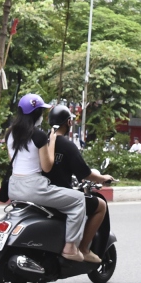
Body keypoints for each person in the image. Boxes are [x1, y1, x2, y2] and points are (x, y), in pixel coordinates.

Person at [4, 93, 90, 262]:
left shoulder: (10, 133)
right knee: (79, 199)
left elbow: (14, 162)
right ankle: (70, 247)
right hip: (33, 188)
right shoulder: (39, 136)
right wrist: (49, 143)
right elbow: (47, 166)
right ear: (36, 114)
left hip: (14, 188)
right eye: (41, 112)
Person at [45, 104, 113, 263]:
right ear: (68, 123)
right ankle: (83, 248)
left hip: (39, 191)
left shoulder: (43, 140)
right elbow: (85, 173)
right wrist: (103, 178)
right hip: (60, 194)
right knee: (100, 206)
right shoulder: (68, 145)